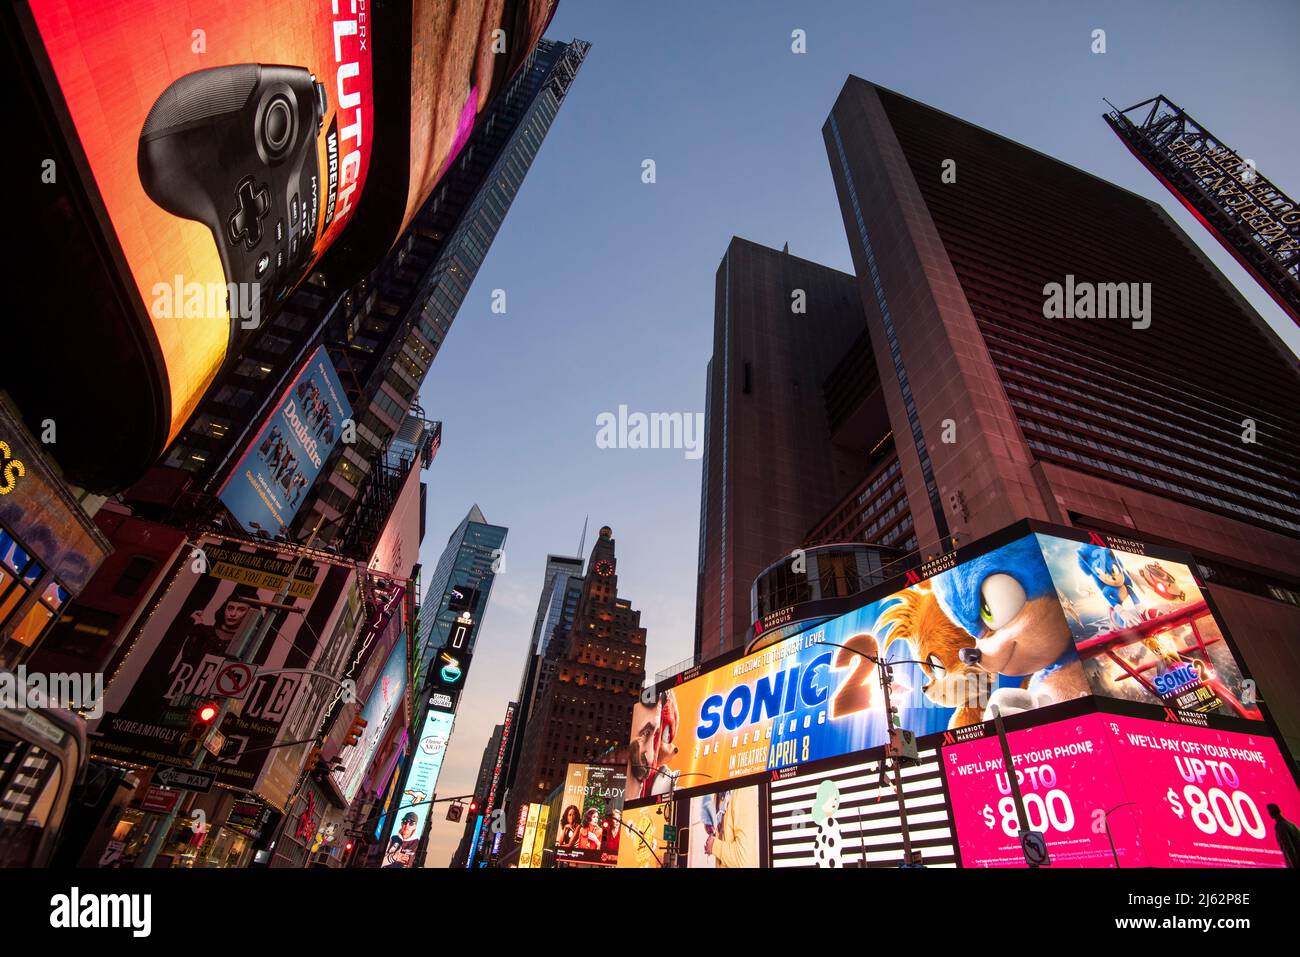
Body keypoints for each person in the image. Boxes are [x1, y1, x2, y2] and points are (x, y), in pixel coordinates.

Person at [705, 788, 758, 868]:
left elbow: (743, 859)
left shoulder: (744, 792)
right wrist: (713, 826)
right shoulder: (720, 793)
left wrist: (713, 846)